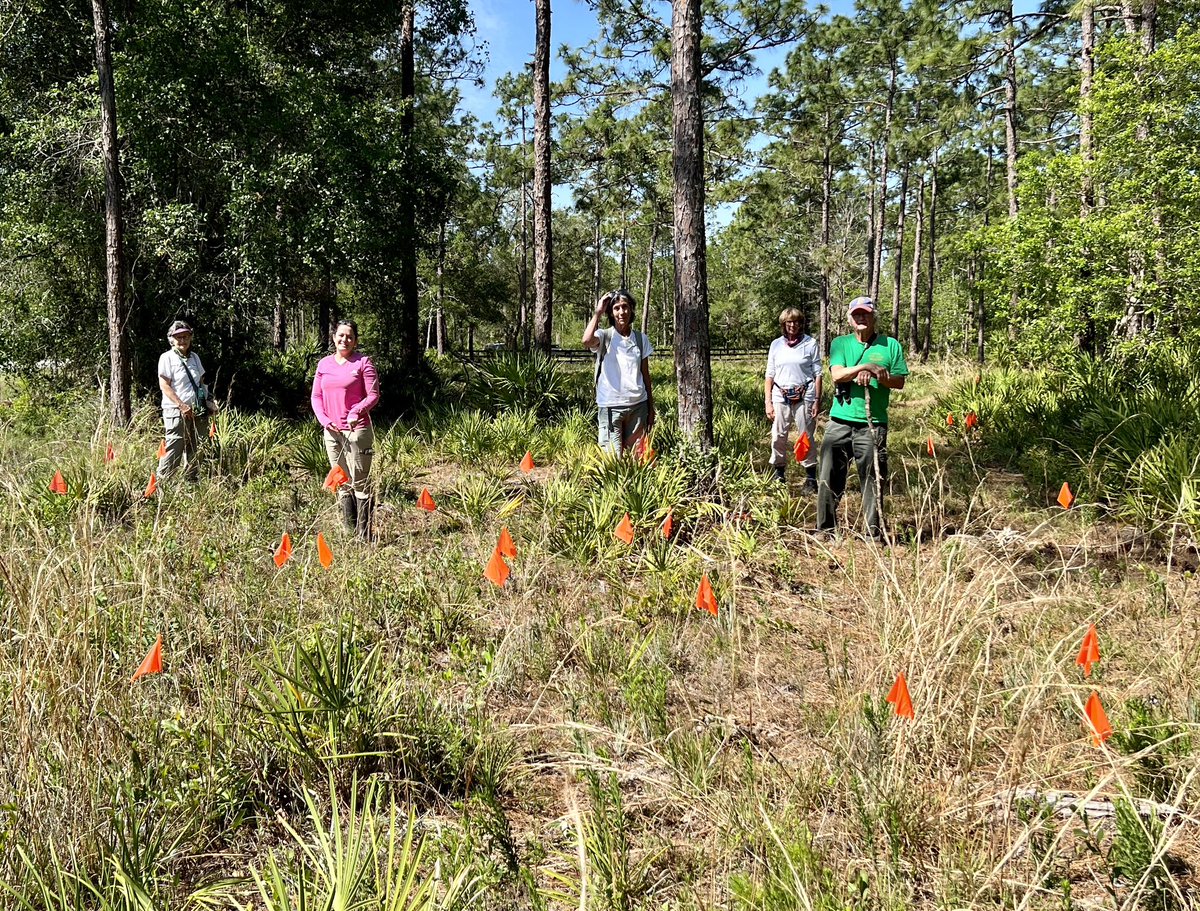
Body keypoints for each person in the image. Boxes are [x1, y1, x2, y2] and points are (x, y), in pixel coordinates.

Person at [816, 296, 908, 540]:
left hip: (873, 423)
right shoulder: (840, 344)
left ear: (873, 316)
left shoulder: (890, 345)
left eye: (865, 313)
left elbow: (899, 381)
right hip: (839, 420)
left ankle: (872, 534)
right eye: (856, 314)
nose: (861, 318)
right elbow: (837, 375)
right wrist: (864, 367)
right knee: (828, 476)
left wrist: (878, 376)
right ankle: (825, 530)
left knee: (873, 478)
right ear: (849, 318)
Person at [311, 320, 380, 538]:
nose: (345, 340)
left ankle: (364, 535)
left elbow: (373, 395)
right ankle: (349, 532)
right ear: (334, 338)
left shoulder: (363, 363)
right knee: (341, 480)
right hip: (331, 432)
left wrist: (356, 411)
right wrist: (324, 419)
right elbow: (316, 396)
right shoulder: (324, 365)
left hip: (356, 430)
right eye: (341, 335)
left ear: (355, 341)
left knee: (360, 481)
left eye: (349, 336)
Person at [582, 289, 656, 454]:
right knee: (612, 461)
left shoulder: (640, 339)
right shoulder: (604, 336)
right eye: (616, 308)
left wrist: (651, 409)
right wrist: (598, 312)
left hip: (638, 406)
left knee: (637, 459)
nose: (621, 312)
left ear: (631, 309)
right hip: (610, 407)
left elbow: (646, 376)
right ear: (611, 312)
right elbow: (587, 340)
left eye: (625, 307)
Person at [765, 307, 822, 491]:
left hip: (805, 395)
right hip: (780, 395)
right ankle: (779, 474)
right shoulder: (776, 345)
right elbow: (770, 374)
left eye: (796, 321)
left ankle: (810, 477)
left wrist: (817, 400)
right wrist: (768, 402)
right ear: (783, 324)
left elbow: (818, 374)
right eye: (789, 322)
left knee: (806, 436)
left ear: (801, 323)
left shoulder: (810, 343)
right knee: (778, 436)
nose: (792, 325)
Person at [157, 320, 218, 486]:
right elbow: (164, 385)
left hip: (197, 410)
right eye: (178, 337)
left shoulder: (195, 357)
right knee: (174, 448)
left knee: (197, 447)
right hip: (176, 411)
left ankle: (191, 482)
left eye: (185, 336)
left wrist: (208, 402)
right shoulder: (167, 358)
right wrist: (181, 405)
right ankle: (162, 485)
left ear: (190, 337)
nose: (182, 340)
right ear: (172, 339)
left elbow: (201, 382)